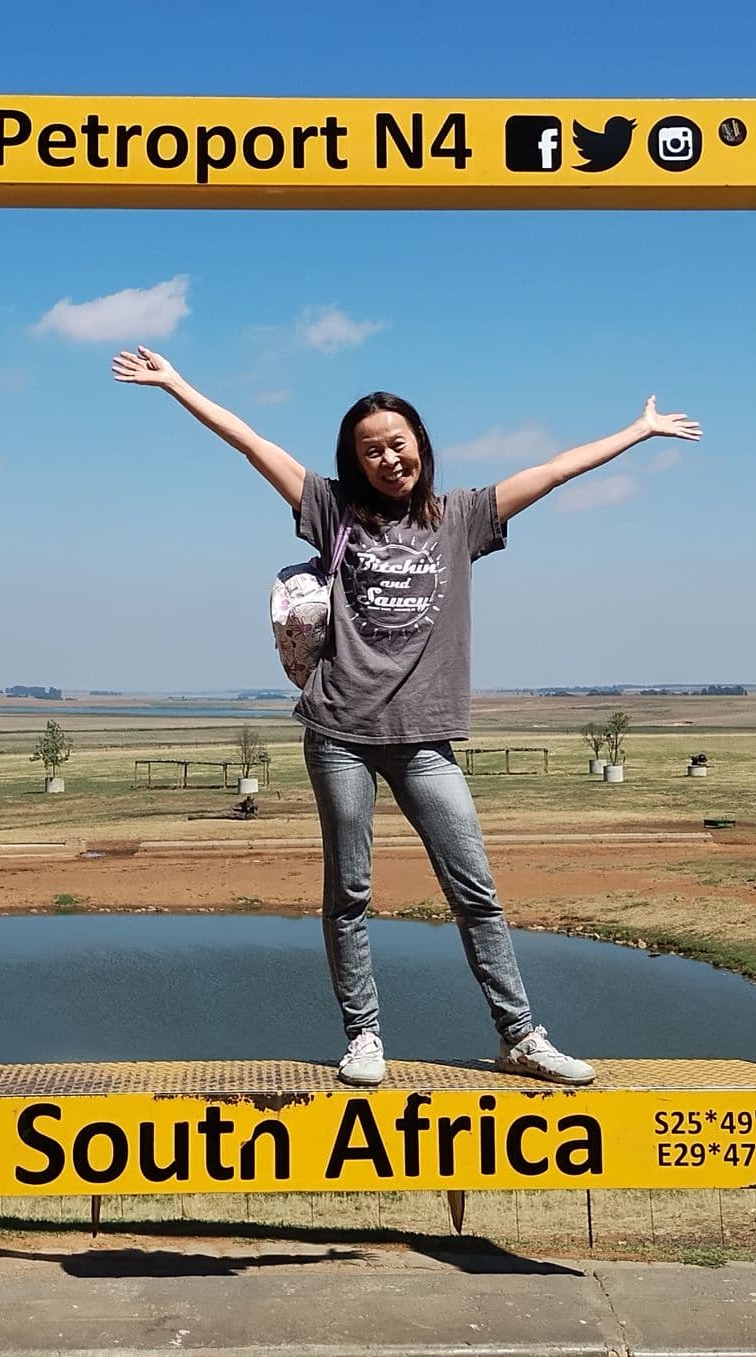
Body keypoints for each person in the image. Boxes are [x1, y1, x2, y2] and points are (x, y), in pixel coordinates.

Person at [112, 346, 701, 1086]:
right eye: (371, 450)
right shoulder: (331, 512)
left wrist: (638, 430)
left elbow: (553, 471)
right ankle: (363, 1037)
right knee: (349, 893)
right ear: (353, 463)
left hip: (425, 739)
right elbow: (250, 442)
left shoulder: (465, 518)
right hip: (339, 733)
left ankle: (518, 1035)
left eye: (397, 442)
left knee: (475, 890)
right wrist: (176, 384)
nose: (388, 458)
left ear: (420, 443)